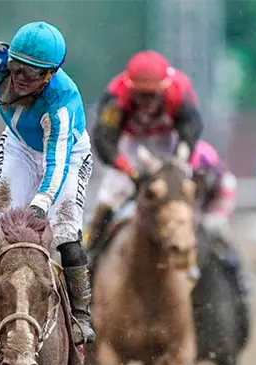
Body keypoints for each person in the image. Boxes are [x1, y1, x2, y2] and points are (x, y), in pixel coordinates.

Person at [0, 17, 96, 345]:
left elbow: (56, 164)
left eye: (32, 73)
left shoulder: (61, 104)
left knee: (65, 229)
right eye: (17, 67)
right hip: (19, 146)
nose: (20, 77)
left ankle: (81, 314)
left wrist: (41, 205)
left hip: (68, 154)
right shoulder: (3, 62)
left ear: (49, 75)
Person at [86, 49, 203, 253]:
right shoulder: (116, 96)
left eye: (153, 96)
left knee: (184, 190)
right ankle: (89, 251)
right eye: (141, 96)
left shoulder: (179, 91)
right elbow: (104, 139)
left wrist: (181, 157)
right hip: (131, 142)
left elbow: (191, 128)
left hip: (167, 140)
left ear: (164, 90)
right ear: (131, 89)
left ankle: (202, 249)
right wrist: (129, 170)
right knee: (108, 197)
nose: (147, 103)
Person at [189, 139, 250, 329]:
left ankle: (239, 282)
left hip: (213, 222)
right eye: (193, 178)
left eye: (200, 177)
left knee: (218, 233)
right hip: (194, 221)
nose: (197, 183)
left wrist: (199, 220)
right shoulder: (185, 183)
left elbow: (221, 213)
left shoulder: (226, 181)